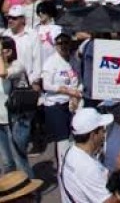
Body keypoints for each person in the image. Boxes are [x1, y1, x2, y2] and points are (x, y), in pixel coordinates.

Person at [58, 107, 119, 203]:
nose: (104, 134)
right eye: (102, 130)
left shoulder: (69, 152)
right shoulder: (88, 167)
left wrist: (117, 170)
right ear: (93, 135)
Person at [41, 30, 81, 166]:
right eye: (60, 43)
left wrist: (76, 95)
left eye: (66, 43)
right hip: (55, 104)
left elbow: (78, 81)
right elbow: (45, 85)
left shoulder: (73, 60)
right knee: (62, 139)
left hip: (70, 103)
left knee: (72, 137)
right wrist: (64, 89)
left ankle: (70, 163)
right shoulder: (50, 62)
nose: (64, 46)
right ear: (55, 45)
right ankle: (63, 168)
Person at [0, 37, 31, 177]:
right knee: (7, 163)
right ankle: (14, 195)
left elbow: (3, 73)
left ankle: (31, 194)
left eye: (2, 50)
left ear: (10, 51)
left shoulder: (17, 65)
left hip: (15, 120)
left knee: (20, 160)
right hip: (0, 120)